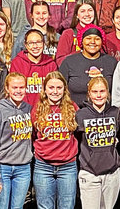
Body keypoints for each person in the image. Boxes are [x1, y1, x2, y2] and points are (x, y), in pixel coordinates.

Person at [0, 72, 34, 209]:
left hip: (23, 168)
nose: (18, 91)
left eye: (21, 87)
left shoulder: (28, 109)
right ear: (7, 88)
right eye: (14, 87)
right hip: (2, 168)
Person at [32, 71, 80, 209]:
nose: (55, 91)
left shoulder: (72, 107)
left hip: (68, 166)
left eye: (59, 88)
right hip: (43, 166)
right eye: (51, 88)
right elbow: (34, 135)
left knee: (67, 206)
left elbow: (77, 134)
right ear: (45, 89)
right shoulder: (37, 109)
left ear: (64, 89)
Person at [75, 77, 120, 209]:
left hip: (112, 173)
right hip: (89, 173)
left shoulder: (116, 113)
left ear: (107, 92)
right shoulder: (81, 115)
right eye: (95, 91)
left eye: (102, 91)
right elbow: (77, 140)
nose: (99, 95)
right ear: (89, 93)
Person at [59, 25, 118, 106]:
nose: (93, 42)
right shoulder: (69, 62)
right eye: (88, 38)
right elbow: (60, 89)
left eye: (97, 39)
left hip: (105, 113)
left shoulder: (111, 62)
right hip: (75, 112)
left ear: (102, 42)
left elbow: (118, 92)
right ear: (81, 41)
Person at [10, 29, 58, 106]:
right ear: (25, 45)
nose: (35, 46)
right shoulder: (17, 63)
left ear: (44, 44)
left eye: (38, 42)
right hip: (23, 109)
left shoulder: (51, 64)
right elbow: (15, 89)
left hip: (45, 108)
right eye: (31, 43)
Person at [55, 0, 98, 64]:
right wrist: (80, 53)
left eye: (90, 10)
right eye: (82, 11)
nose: (87, 14)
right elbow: (60, 61)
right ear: (77, 15)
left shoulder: (100, 34)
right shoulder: (68, 34)